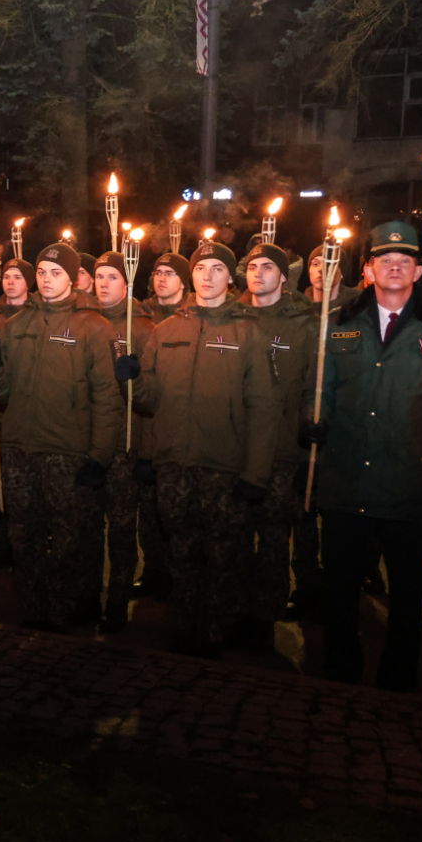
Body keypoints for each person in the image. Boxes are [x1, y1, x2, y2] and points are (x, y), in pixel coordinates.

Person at [301, 221, 422, 692]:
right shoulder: (338, 320)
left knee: (406, 600)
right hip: (346, 482)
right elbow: (318, 388)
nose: (395, 265)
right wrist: (311, 417)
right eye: (385, 258)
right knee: (340, 594)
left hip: (411, 484)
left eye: (405, 259)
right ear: (368, 268)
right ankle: (341, 678)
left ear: (420, 268)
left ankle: (397, 686)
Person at [116, 239, 279, 656]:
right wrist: (133, 379)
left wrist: (255, 473)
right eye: (201, 269)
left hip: (223, 466)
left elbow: (263, 408)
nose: (207, 277)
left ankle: (221, 631)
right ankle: (186, 624)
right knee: (182, 550)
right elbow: (150, 401)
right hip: (175, 464)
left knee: (226, 553)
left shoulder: (249, 332)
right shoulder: (167, 330)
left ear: (230, 277)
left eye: (217, 270)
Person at [0, 242, 120, 629]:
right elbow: (0, 393)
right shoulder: (16, 325)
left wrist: (99, 456)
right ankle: (35, 611)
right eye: (41, 272)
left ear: (73, 278)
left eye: (55, 273)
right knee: (25, 538)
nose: (46, 280)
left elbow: (108, 399)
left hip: (69, 452)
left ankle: (74, 613)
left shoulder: (94, 326)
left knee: (71, 542)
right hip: (20, 449)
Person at [239, 242, 317, 635]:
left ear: (284, 276)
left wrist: (310, 426)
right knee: (234, 535)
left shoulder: (302, 324)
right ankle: (232, 606)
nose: (258, 273)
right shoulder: (231, 317)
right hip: (233, 449)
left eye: (268, 267)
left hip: (282, 452)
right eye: (252, 266)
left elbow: (311, 388)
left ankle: (264, 619)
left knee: (272, 536)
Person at [93, 250, 158, 631]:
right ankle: (84, 593)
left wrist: (146, 451)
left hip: (125, 443)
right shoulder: (84, 322)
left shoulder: (145, 328)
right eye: (99, 277)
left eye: (112, 278)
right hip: (88, 441)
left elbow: (151, 396)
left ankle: (117, 600)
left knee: (120, 528)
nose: (103, 284)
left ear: (128, 282)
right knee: (85, 525)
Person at [144, 252, 191, 324]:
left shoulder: (193, 314)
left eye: (169, 274)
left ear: (183, 283)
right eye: (158, 273)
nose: (162, 279)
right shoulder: (143, 312)